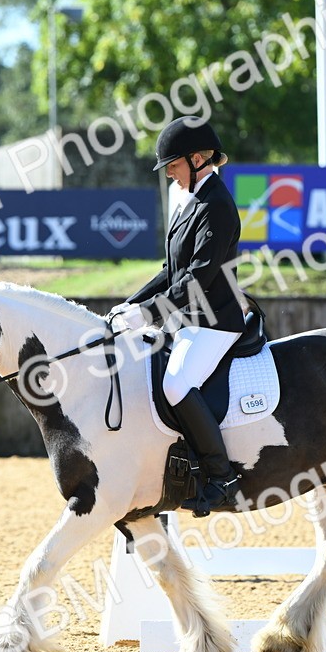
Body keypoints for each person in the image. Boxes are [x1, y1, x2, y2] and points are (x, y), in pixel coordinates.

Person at [107, 116, 245, 517]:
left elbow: (198, 278)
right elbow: (171, 271)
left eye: (173, 164)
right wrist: (130, 304)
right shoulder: (192, 201)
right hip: (188, 321)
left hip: (215, 322)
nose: (169, 172)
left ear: (198, 159)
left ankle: (222, 478)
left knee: (176, 384)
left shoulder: (216, 206)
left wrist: (148, 314)